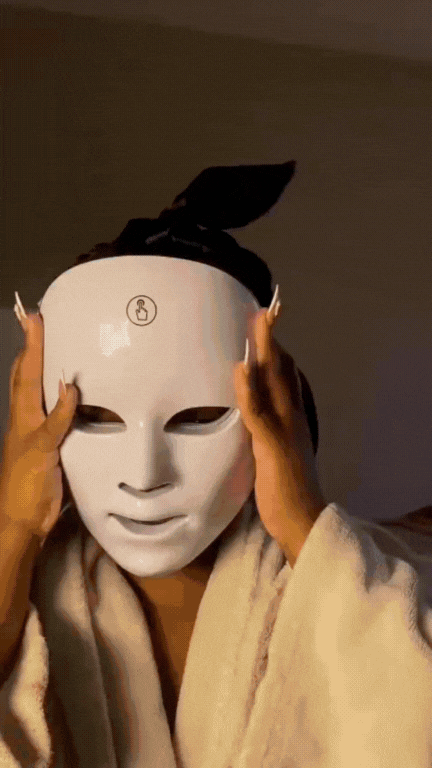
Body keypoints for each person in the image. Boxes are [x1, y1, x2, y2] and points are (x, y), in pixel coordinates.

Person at [0, 162, 431, 768]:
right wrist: (15, 529)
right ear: (38, 411)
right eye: (95, 416)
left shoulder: (400, 575)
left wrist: (304, 524)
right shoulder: (19, 585)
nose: (145, 476)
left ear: (277, 409)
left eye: (198, 417)